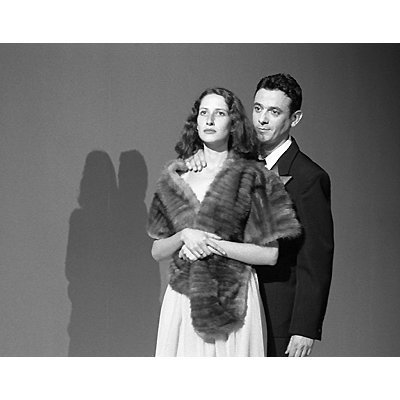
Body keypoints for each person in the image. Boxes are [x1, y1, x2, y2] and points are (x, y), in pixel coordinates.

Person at [186, 74, 334, 357]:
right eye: (258, 109)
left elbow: (316, 259)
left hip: (279, 313)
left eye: (274, 112)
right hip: (232, 304)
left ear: (295, 118)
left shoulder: (309, 177)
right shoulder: (237, 161)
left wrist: (304, 327)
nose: (262, 120)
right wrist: (198, 159)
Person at [147, 87, 301, 357]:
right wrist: (184, 235)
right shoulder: (177, 178)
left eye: (219, 113)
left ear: (233, 123)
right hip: (183, 299)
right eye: (203, 113)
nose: (209, 120)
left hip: (235, 297)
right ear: (195, 122)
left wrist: (210, 244)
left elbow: (270, 255)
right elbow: (157, 250)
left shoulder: (253, 176)